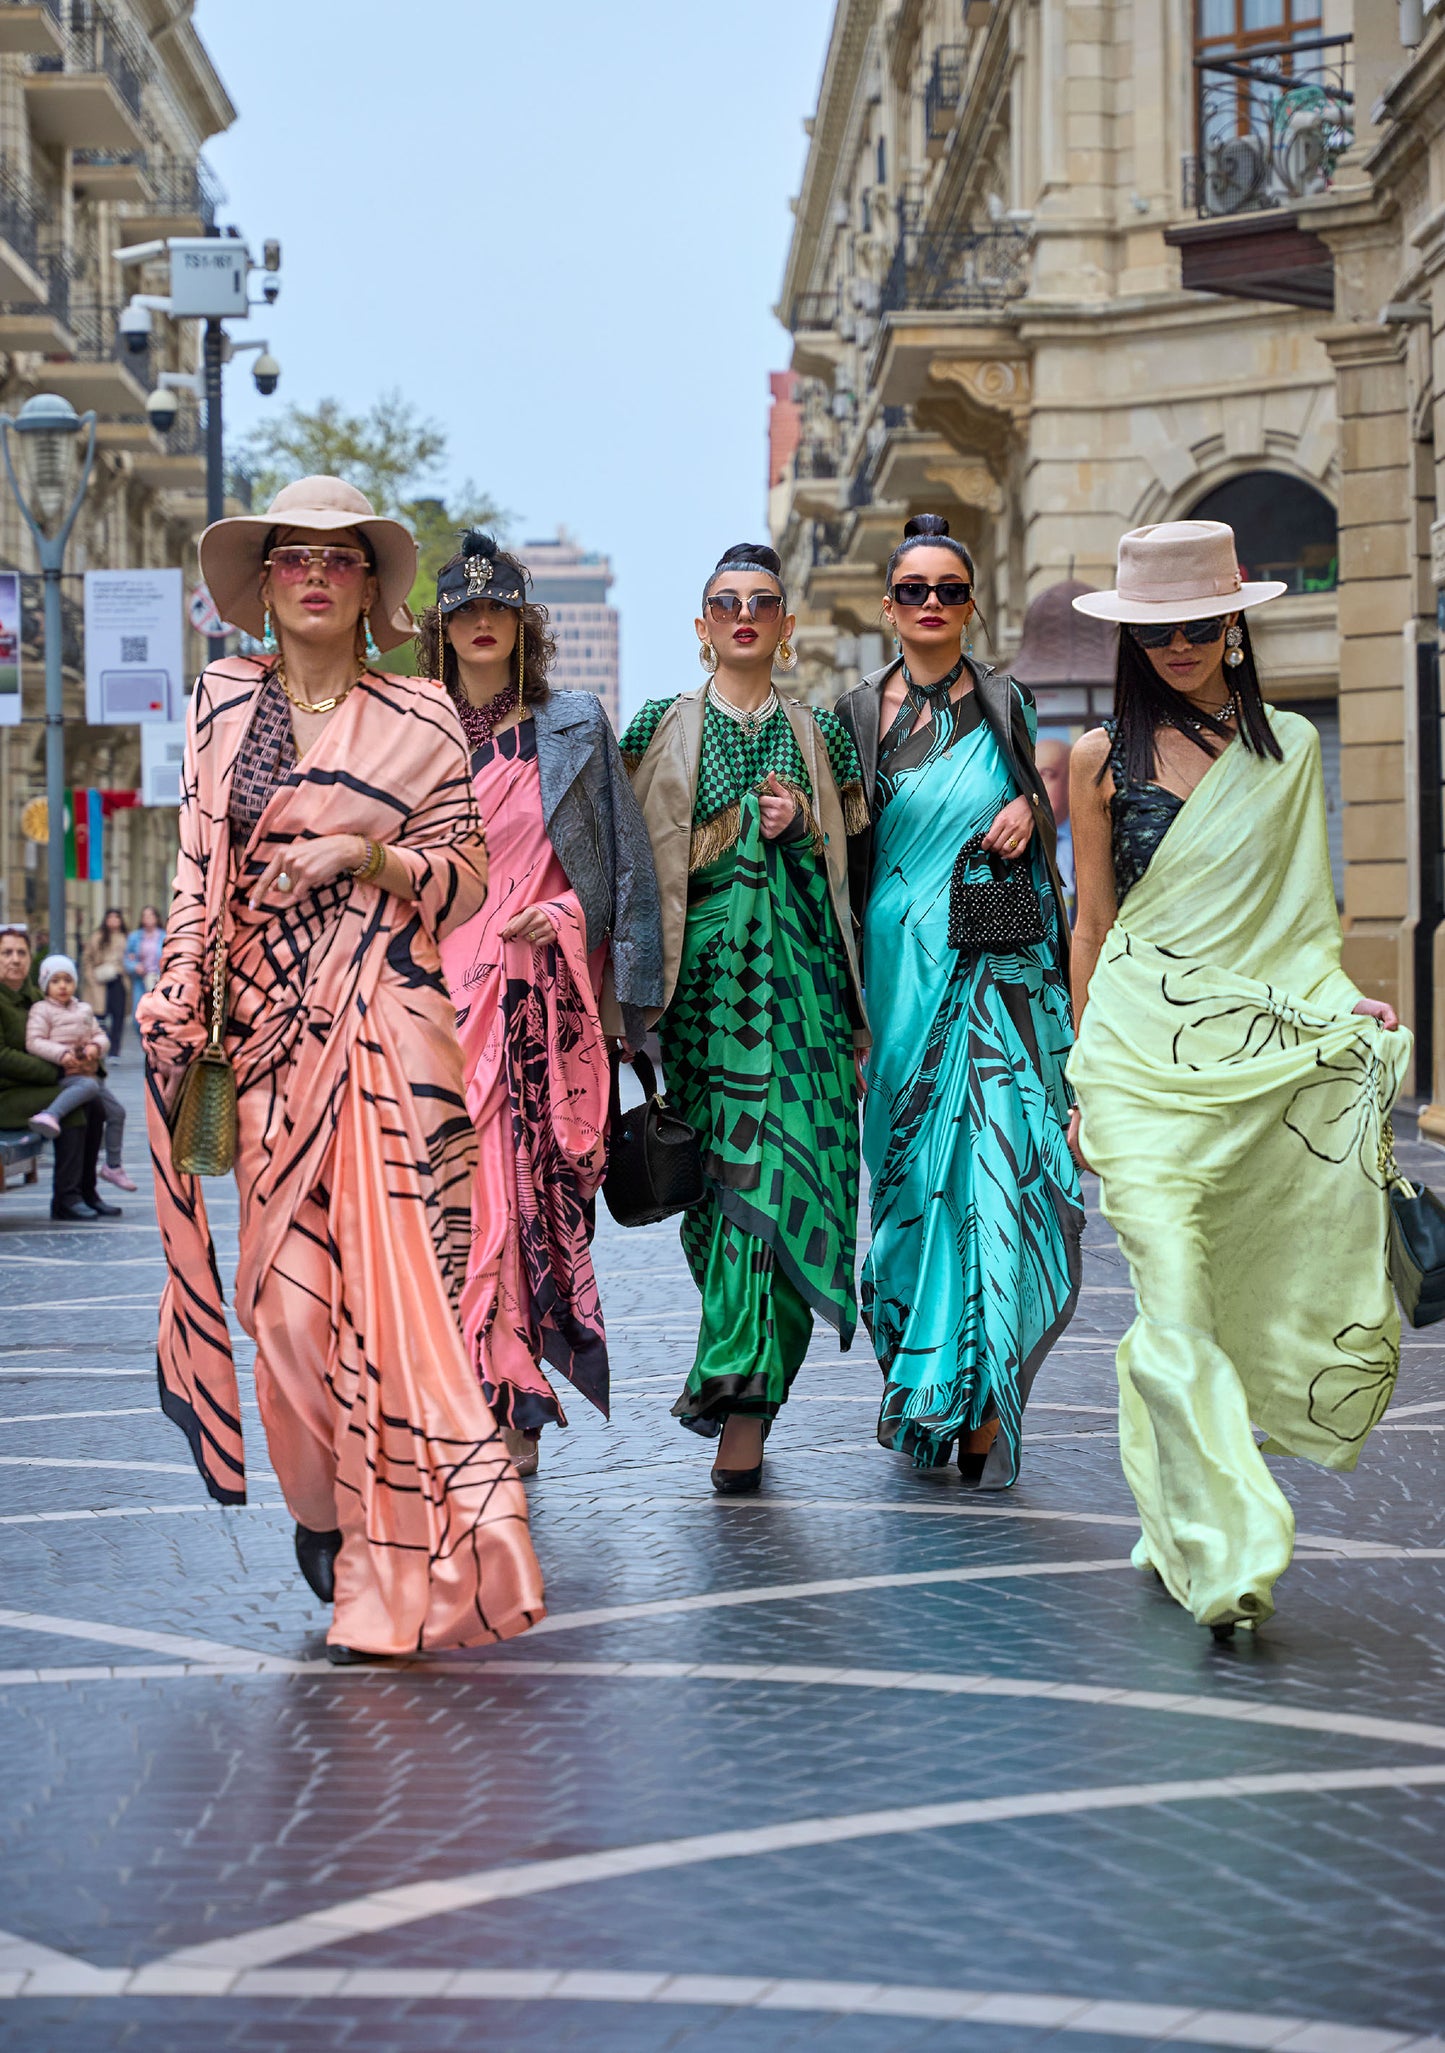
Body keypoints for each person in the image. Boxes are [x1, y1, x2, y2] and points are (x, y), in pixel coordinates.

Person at [138, 476, 544, 1663]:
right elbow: (194, 873)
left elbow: (465, 877)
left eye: (340, 557)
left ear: (370, 588)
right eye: (291, 556)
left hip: (392, 1039)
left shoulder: (421, 715)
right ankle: (327, 1511)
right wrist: (175, 986)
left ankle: (379, 1561)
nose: (315, 572)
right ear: (263, 586)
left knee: (391, 1313)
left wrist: (368, 853)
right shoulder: (219, 705)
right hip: (262, 1045)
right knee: (288, 1319)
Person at [1067, 520, 1408, 1638]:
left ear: (1233, 624)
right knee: (1166, 1287)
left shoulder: (1289, 752)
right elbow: (1092, 926)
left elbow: (1301, 928)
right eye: (1155, 627)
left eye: (1198, 622)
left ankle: (1176, 1518)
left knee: (1201, 1301)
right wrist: (1081, 1079)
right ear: (1131, 635)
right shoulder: (1093, 757)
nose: (1178, 643)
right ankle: (1227, 1543)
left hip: (1243, 1063)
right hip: (1130, 1068)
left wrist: (1335, 1004)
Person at [836, 514, 1081, 1486]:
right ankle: (920, 1380)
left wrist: (1031, 804)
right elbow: (829, 851)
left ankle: (975, 1399)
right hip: (894, 974)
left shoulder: (1007, 704)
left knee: (991, 1184)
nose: (929, 603)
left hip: (990, 977)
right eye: (912, 590)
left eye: (946, 589)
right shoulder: (852, 716)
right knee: (904, 1194)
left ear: (969, 604)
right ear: (888, 605)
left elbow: (1050, 817)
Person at [621, 542, 867, 1493]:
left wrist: (804, 823)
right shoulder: (657, 727)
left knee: (796, 1178)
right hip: (704, 1000)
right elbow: (632, 876)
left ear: (786, 625)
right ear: (700, 626)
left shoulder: (824, 739)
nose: (744, 616)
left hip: (804, 996)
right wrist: (623, 1004)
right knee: (720, 1196)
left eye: (762, 601)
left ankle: (746, 1401)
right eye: (725, 602)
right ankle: (741, 1384)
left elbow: (860, 869)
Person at [417, 532, 662, 1479]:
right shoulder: (413, 730)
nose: (481, 625)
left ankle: (513, 1405)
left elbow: (622, 870)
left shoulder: (573, 724)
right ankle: (456, 1391)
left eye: (497, 611)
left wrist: (565, 919)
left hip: (540, 1012)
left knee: (525, 1213)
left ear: (524, 625)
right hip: (436, 1005)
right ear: (442, 629)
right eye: (464, 612)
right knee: (449, 1207)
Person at [0, 927, 115, 1222]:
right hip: (8, 1093)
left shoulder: (39, 997)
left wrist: (91, 1064)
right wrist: (58, 1070)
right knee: (76, 1105)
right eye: (6, 953)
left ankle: (87, 1191)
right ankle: (66, 1198)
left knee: (98, 1106)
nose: (15, 960)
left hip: (37, 1086)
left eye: (21, 953)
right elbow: (2, 1056)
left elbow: (78, 1034)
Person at [25, 953, 135, 1191]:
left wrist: (96, 1047)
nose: (62, 986)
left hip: (88, 1071)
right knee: (89, 1086)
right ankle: (50, 1115)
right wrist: (62, 1054)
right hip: (65, 1075)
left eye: (67, 980)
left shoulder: (83, 1009)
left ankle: (113, 1166)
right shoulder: (41, 1010)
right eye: (55, 981)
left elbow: (100, 1035)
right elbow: (34, 1041)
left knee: (117, 1112)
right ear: (46, 985)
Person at [1036, 738, 1075, 919]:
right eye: (1034, 776)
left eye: (1047, 774)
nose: (1037, 786)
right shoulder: (1014, 843)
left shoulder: (1093, 838)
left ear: (1072, 781)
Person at [83, 909, 129, 1060]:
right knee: (100, 1016)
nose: (114, 921)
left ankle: (114, 1050)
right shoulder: (98, 937)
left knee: (118, 1016)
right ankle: (101, 1046)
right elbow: (87, 959)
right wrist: (91, 977)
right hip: (100, 982)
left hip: (119, 980)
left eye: (117, 917)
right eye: (110, 917)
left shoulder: (127, 938)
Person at [123, 906, 165, 1044]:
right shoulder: (135, 937)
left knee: (158, 1014)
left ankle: (155, 1042)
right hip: (141, 980)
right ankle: (144, 1039)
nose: (147, 919)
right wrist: (135, 966)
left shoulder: (164, 936)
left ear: (156, 918)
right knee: (137, 1016)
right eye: (145, 916)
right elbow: (127, 959)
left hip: (159, 980)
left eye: (150, 915)